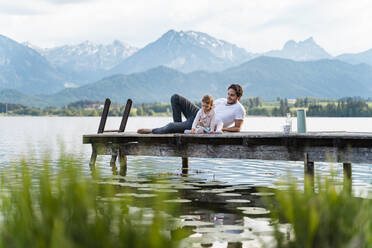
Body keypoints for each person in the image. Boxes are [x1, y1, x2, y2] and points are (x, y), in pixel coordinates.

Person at [137, 84, 245, 134]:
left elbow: (237, 128)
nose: (229, 97)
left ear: (238, 97)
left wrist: (221, 129)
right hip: (198, 113)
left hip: (203, 124)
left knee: (169, 126)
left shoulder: (239, 109)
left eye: (232, 95)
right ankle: (177, 128)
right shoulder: (221, 100)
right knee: (175, 97)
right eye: (228, 94)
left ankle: (152, 130)